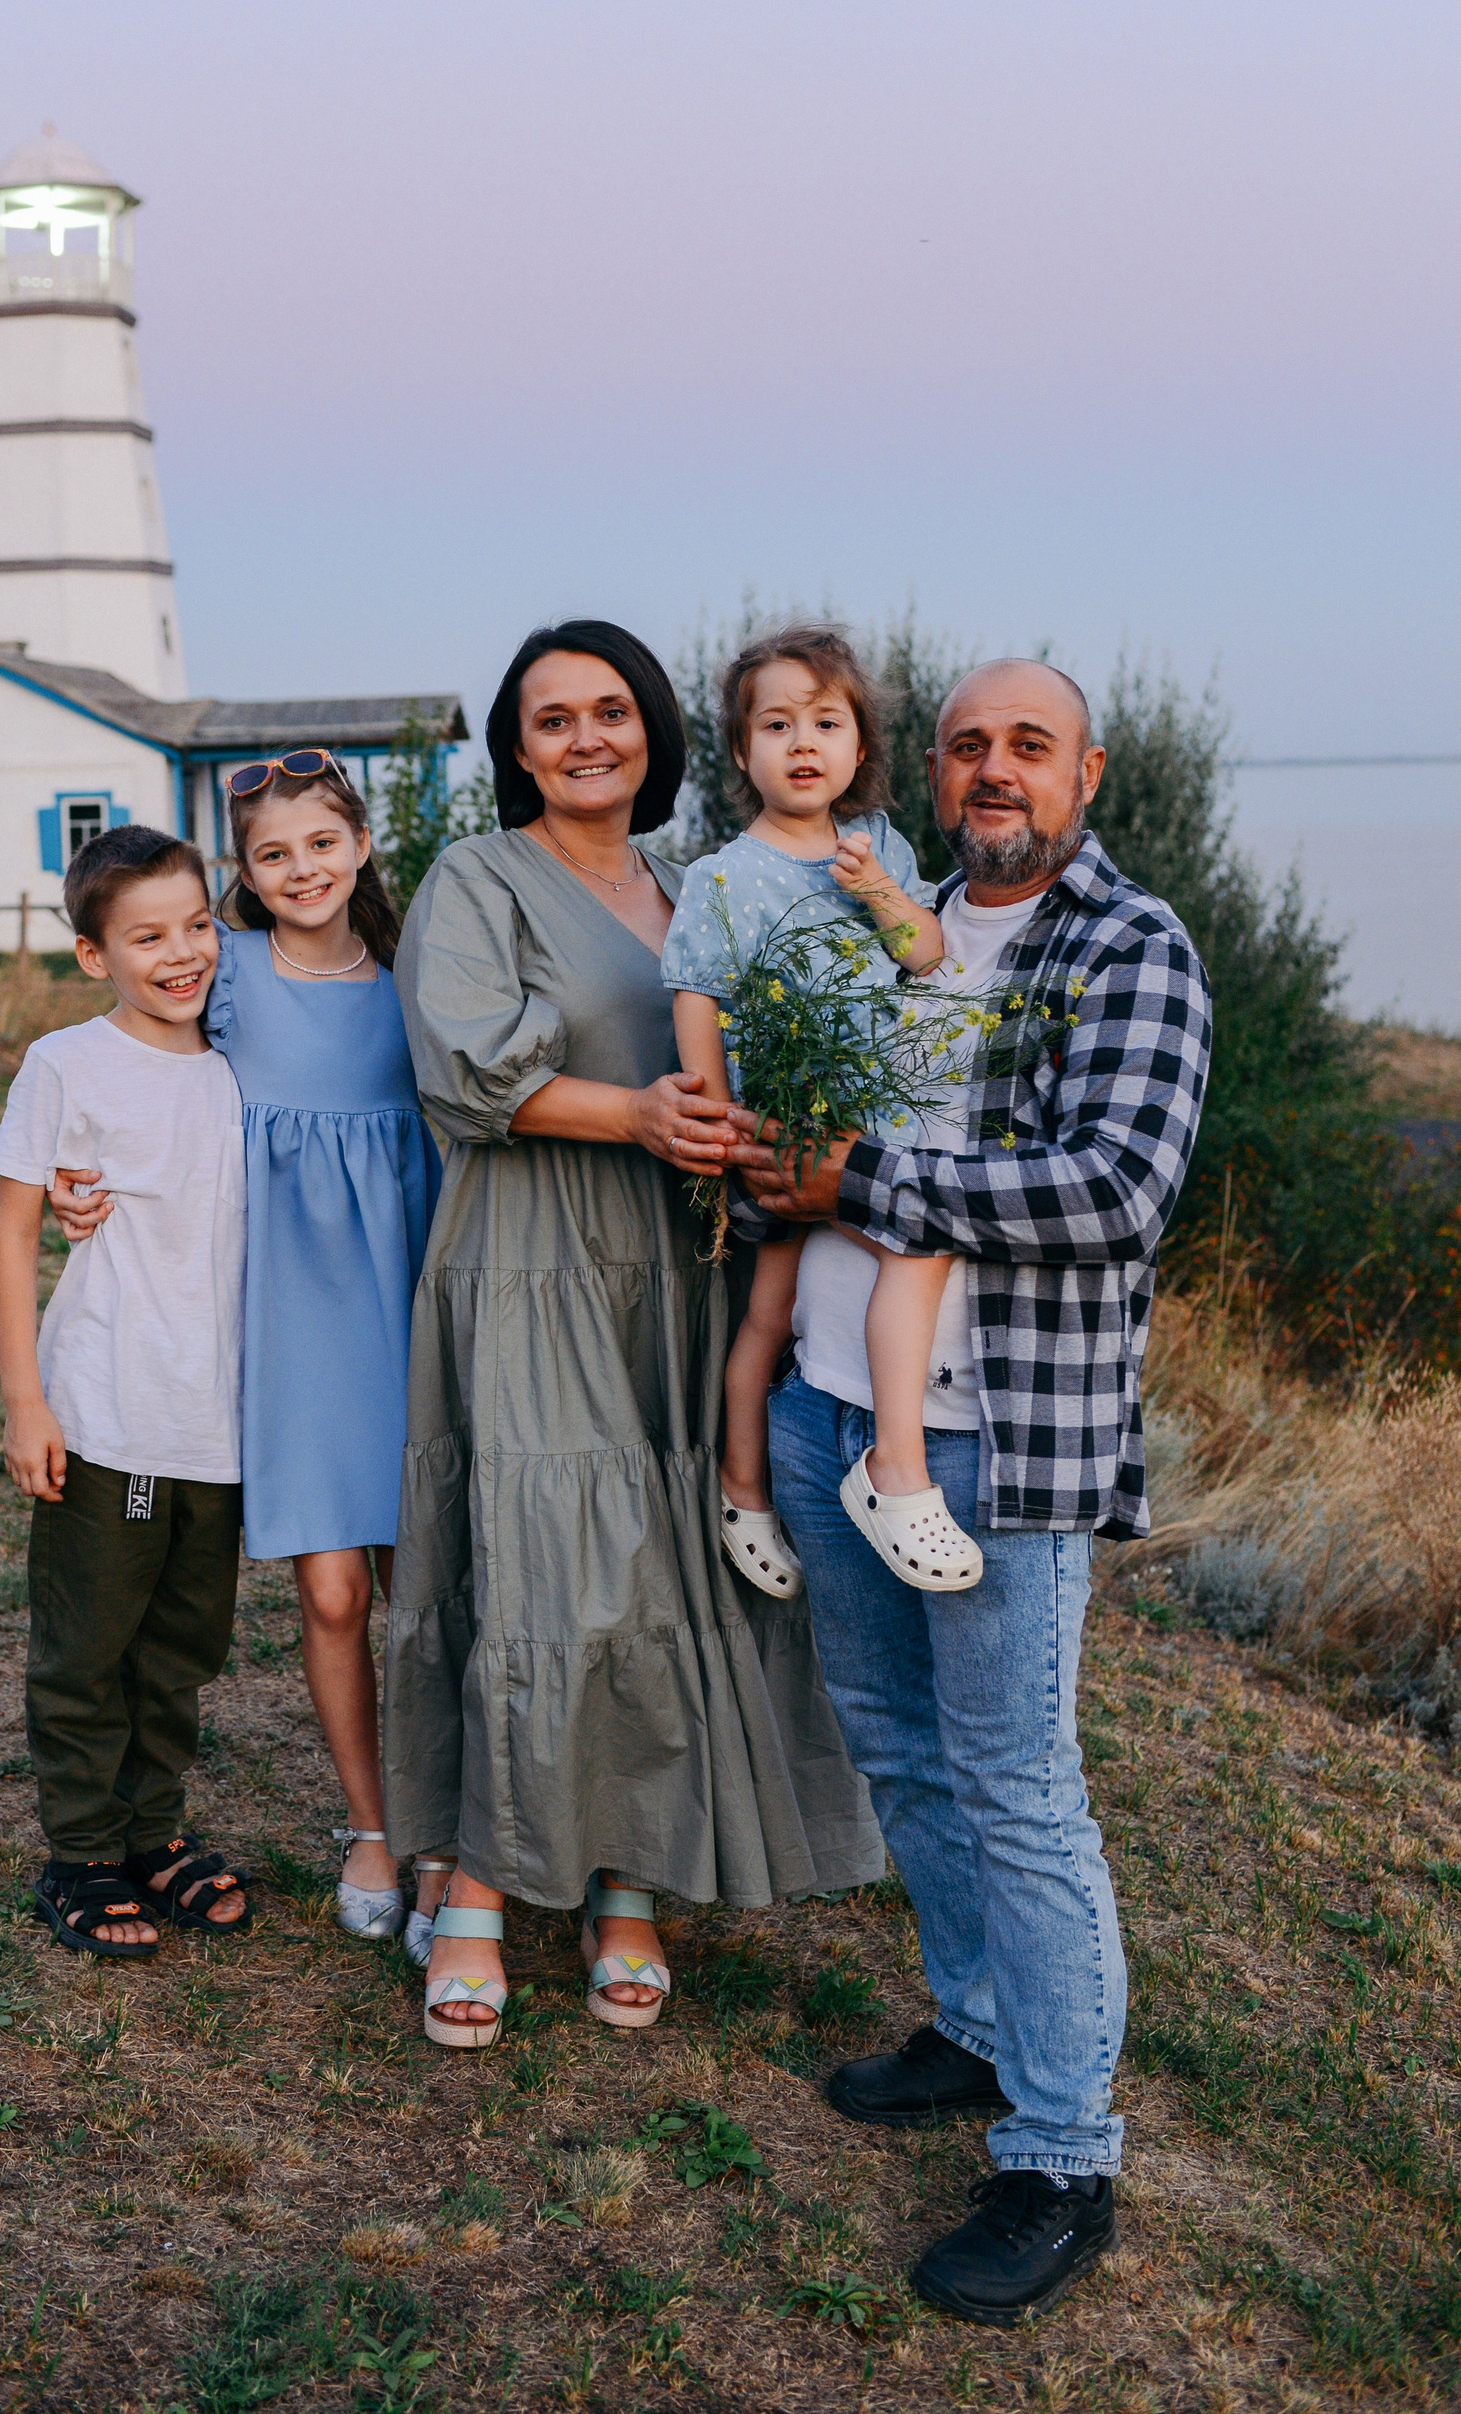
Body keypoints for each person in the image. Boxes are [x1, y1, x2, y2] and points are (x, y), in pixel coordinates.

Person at [730, 660, 1212, 2327]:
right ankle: (981, 2022)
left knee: (1018, 1785)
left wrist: (859, 1173)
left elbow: (1115, 1191)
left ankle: (1064, 2156)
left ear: (1089, 768)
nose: (994, 770)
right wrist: (771, 1164)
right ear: (931, 772)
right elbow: (805, 1126)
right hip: (826, 1410)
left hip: (1000, 1444)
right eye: (966, 746)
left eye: (1028, 745)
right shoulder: (894, 920)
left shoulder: (1129, 945)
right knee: (900, 1750)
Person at [386, 619, 883, 2053]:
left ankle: (627, 1880)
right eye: (553, 719)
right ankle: (481, 1884)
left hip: (689, 1267)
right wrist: (642, 1114)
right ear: (517, 748)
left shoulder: (703, 884)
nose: (586, 737)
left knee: (667, 1565)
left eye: (611, 710)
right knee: (546, 1563)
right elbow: (463, 1067)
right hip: (536, 1260)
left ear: (656, 731)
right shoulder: (478, 877)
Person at [50, 754, 442, 1949]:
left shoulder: (419, 976)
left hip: (411, 1301)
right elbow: (134, 1063)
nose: (302, 869)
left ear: (361, 843)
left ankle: (443, 1840)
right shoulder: (230, 972)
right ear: (246, 876)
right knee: (332, 1590)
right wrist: (78, 1178)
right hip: (287, 1320)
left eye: (321, 843)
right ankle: (371, 1825)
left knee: (424, 1594)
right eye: (273, 854)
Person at [661, 623, 983, 1600]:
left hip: (866, 1124)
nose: (803, 742)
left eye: (826, 722)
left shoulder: (877, 844)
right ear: (740, 750)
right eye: (777, 724)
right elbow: (696, 995)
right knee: (904, 1249)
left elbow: (926, 952)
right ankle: (883, 1471)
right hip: (781, 1130)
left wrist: (879, 889)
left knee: (777, 1307)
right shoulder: (722, 875)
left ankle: (750, 1489)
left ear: (859, 745)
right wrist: (720, 1127)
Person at [0, 826, 254, 1957]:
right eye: (148, 937)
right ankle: (84, 1853)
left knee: (182, 1647)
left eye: (198, 924)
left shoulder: (244, 1058)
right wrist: (26, 1402)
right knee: (90, 1646)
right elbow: (12, 1232)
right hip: (109, 1410)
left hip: (220, 1417)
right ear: (95, 955)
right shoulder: (67, 1063)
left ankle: (154, 1832)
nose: (182, 952)